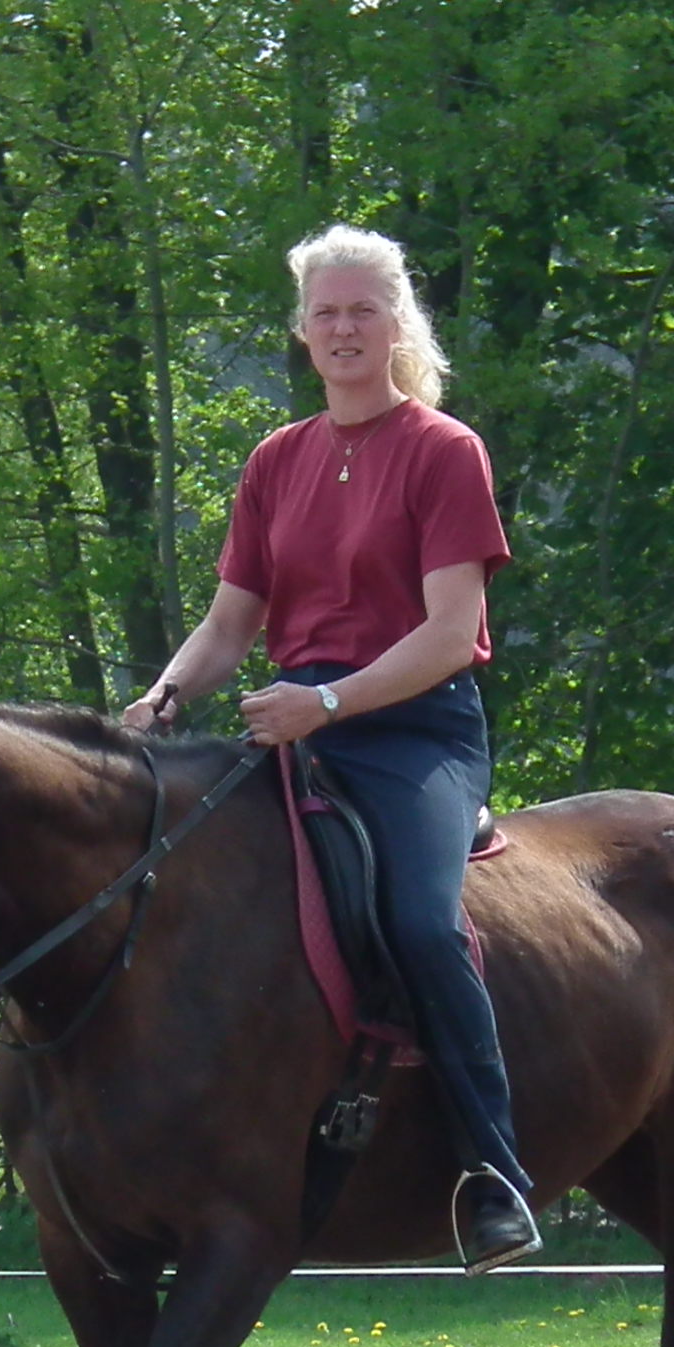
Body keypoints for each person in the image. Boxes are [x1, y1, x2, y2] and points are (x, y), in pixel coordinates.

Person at [124, 224, 539, 1272]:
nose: (345, 328)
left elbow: (452, 634)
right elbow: (227, 629)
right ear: (302, 334)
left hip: (413, 730)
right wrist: (165, 696)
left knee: (418, 919)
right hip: (287, 720)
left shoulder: (446, 453)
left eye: (363, 310)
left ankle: (495, 1176)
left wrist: (334, 702)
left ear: (397, 325)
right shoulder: (276, 461)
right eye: (327, 313)